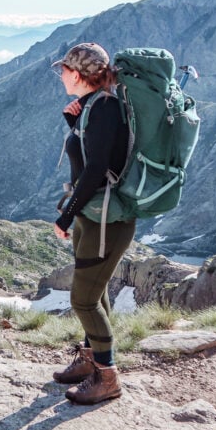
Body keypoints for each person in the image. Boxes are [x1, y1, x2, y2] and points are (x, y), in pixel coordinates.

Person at [50, 42, 135, 405]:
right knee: (95, 292)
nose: (61, 75)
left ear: (79, 74)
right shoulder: (90, 108)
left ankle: (108, 376)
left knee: (83, 300)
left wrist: (65, 215)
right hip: (92, 215)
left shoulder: (105, 108)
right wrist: (73, 123)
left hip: (107, 221)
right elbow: (87, 161)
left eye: (65, 70)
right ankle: (89, 360)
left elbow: (97, 170)